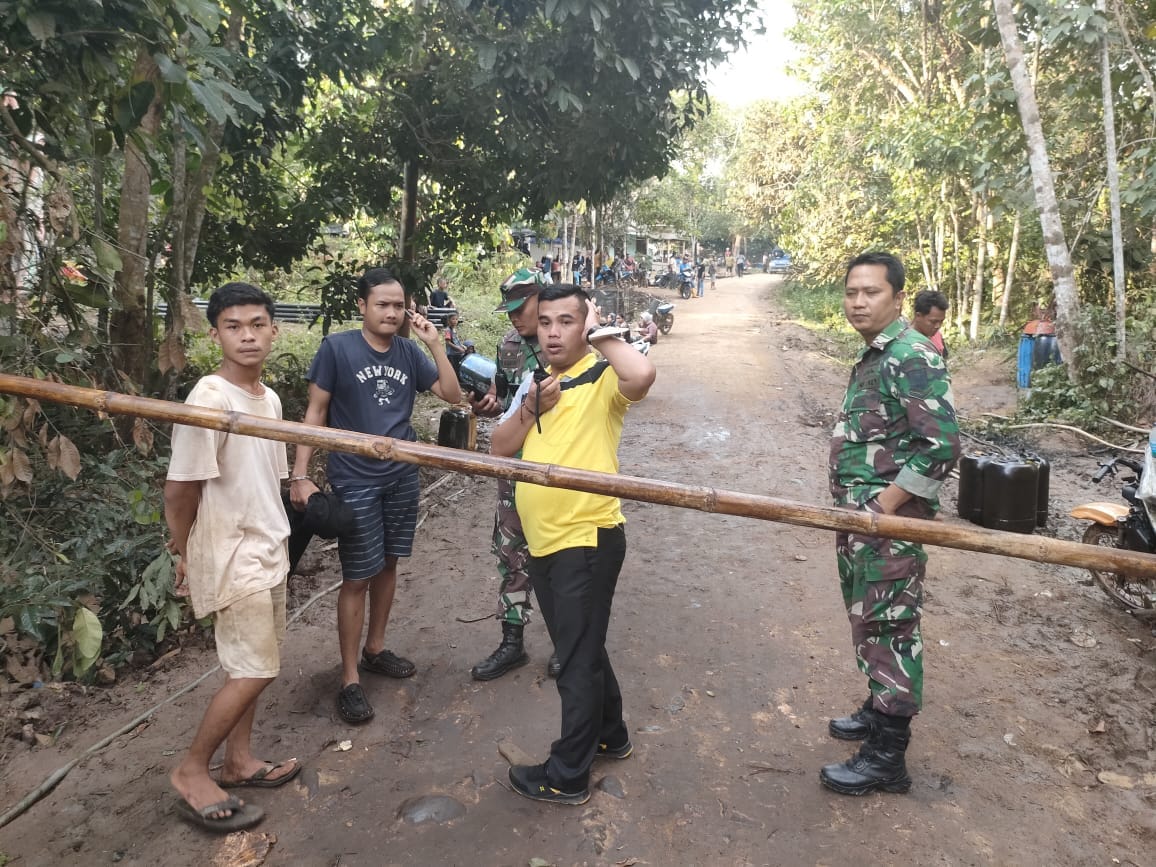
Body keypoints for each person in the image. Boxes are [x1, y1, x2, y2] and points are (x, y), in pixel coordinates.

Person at [491, 284, 655, 805]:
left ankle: (566, 775)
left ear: (585, 326)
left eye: (567, 321)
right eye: (546, 322)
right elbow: (499, 447)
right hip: (545, 540)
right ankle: (613, 734)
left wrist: (604, 333)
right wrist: (530, 407)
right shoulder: (539, 381)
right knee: (580, 646)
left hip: (585, 538)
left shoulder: (603, 376)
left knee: (575, 658)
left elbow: (642, 375)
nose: (554, 331)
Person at [290, 268, 463, 724]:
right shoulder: (338, 349)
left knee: (389, 563)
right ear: (363, 307)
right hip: (355, 479)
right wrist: (299, 475)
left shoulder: (408, 351)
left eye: (398, 304)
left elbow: (452, 395)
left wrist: (436, 345)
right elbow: (316, 412)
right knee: (356, 576)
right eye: (381, 304)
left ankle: (375, 648)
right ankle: (350, 679)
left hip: (402, 477)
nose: (390, 312)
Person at [821, 252, 960, 796]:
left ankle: (887, 757)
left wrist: (884, 507)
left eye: (871, 292)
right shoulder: (877, 354)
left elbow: (941, 446)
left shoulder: (912, 355)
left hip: (889, 526)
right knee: (869, 618)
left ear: (898, 298)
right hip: (862, 522)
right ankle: (878, 709)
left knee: (889, 626)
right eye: (852, 292)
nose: (858, 301)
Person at [164, 282, 301, 833]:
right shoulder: (210, 397)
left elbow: (267, 478)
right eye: (233, 326)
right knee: (254, 668)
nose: (247, 336)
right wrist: (185, 551)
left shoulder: (267, 399)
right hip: (233, 552)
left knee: (253, 665)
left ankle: (238, 762)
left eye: (257, 324)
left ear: (274, 328)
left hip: (268, 545)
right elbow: (180, 490)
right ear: (215, 332)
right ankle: (192, 770)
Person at [470, 268, 561, 681]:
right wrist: (487, 404)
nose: (513, 318)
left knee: (562, 556)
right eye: (507, 311)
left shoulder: (566, 340)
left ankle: (567, 641)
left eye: (519, 308)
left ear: (541, 298)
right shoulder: (508, 345)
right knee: (511, 553)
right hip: (515, 465)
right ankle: (512, 642)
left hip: (559, 468)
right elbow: (503, 398)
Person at [911, 289, 949, 360]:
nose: (938, 326)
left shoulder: (937, 335)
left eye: (941, 321)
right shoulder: (905, 342)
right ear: (918, 316)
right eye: (933, 321)